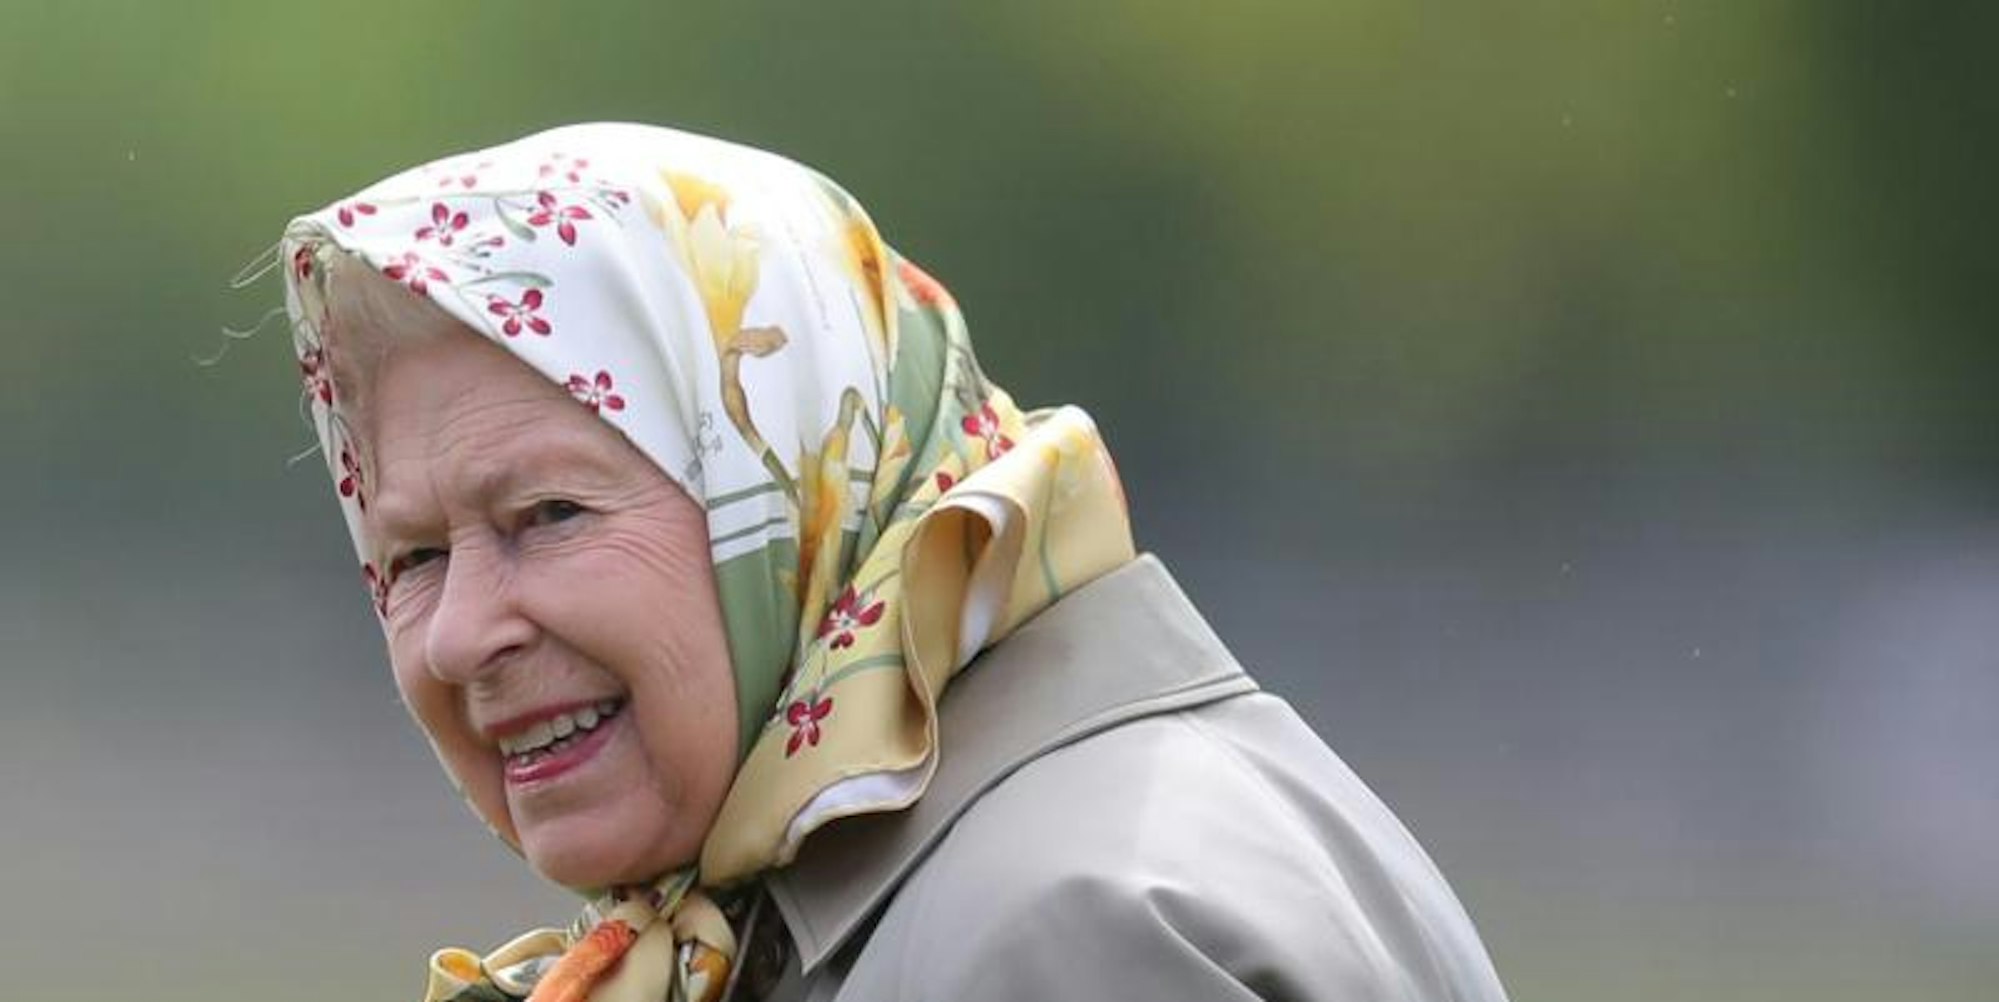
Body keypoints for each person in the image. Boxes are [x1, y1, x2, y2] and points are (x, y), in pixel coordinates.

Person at [275, 121, 1509, 1002]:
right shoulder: (907, 902)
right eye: (414, 556)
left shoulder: (1062, 936)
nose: (458, 635)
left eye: (548, 514)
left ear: (803, 495)